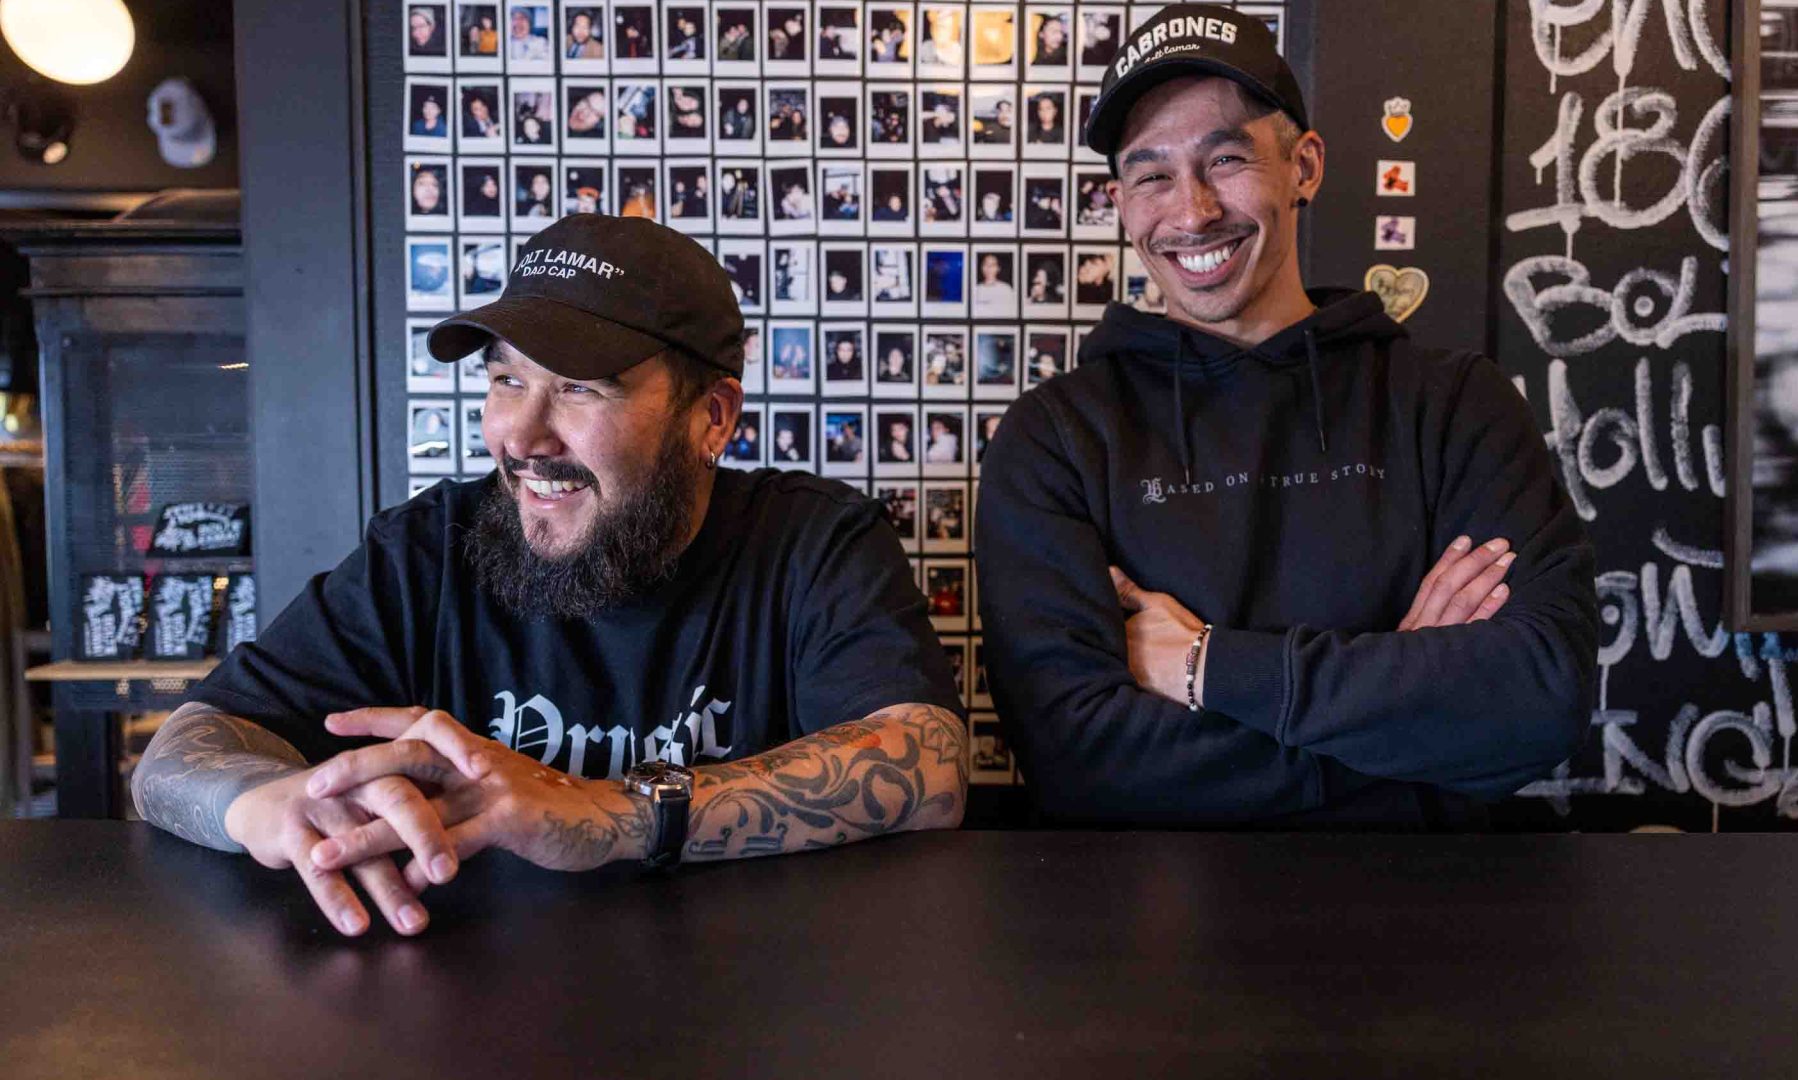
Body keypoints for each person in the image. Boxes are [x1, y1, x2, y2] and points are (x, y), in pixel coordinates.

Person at [131, 216, 966, 938]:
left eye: (578, 387)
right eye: (506, 379)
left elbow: (925, 765)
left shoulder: (812, 540)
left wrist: (612, 812)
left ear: (710, 418)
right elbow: (177, 755)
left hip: (761, 1005)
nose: (522, 435)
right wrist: (272, 806)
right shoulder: (428, 550)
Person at [975, 5, 1598, 829]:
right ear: (1119, 200)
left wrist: (1207, 668)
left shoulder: (1453, 405)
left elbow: (1536, 700)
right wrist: (1413, 730)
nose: (1192, 212)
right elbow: (1082, 762)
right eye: (1152, 174)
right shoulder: (1054, 440)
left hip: (1438, 936)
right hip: (1145, 945)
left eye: (1226, 159)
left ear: (1303, 166)